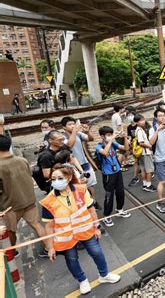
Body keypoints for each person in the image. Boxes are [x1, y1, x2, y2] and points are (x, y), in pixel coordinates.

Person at [41, 164, 121, 295]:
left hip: (86, 231)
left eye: (60, 178)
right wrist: (50, 247)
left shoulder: (81, 190)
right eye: (53, 179)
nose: (56, 182)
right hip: (66, 238)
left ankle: (104, 275)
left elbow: (91, 210)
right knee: (72, 259)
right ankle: (82, 280)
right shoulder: (48, 201)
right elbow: (48, 226)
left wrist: (97, 227)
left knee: (97, 252)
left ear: (68, 177)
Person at [0, 135, 49, 257]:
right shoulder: (22, 160)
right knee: (37, 225)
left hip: (9, 206)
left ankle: (12, 252)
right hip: (29, 200)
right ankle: (49, 248)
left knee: (11, 230)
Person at [96, 126, 131, 226]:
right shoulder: (99, 146)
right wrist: (111, 141)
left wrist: (125, 138)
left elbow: (125, 149)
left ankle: (119, 209)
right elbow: (104, 152)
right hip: (108, 175)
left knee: (120, 192)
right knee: (109, 195)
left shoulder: (113, 144)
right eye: (108, 135)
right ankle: (106, 216)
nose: (111, 136)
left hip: (117, 172)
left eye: (111, 134)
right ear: (102, 136)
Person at [61, 117, 98, 206]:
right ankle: (84, 204)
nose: (73, 126)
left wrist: (87, 131)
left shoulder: (78, 134)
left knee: (91, 184)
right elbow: (70, 144)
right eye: (70, 124)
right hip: (74, 166)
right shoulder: (63, 137)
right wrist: (74, 132)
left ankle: (94, 202)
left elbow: (91, 139)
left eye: (74, 124)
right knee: (79, 187)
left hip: (84, 162)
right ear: (64, 127)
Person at [134, 114, 155, 192]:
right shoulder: (140, 130)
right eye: (141, 120)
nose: (143, 121)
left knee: (143, 169)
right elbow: (141, 143)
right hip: (145, 152)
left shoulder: (138, 129)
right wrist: (150, 147)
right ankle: (148, 185)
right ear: (137, 122)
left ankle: (145, 184)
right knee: (149, 170)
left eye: (143, 119)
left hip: (141, 153)